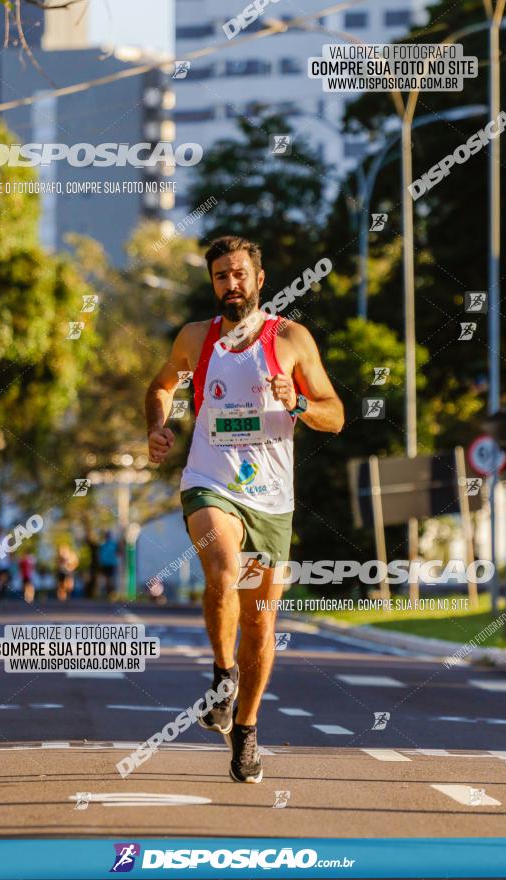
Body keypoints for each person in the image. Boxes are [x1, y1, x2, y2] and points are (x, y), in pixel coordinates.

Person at [145, 236, 344, 783]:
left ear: (259, 279)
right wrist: (157, 427)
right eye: (219, 277)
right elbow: (161, 386)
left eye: (238, 275)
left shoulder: (292, 341)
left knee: (260, 623)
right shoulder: (194, 338)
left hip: (272, 503)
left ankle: (247, 728)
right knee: (223, 571)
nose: (230, 285)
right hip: (210, 483)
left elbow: (336, 415)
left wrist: (298, 402)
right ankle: (222, 673)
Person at [98, 530, 120, 599]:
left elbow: (119, 552)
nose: (107, 537)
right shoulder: (103, 545)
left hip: (111, 564)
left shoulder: (113, 544)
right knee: (107, 579)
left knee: (111, 579)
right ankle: (109, 593)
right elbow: (100, 555)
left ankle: (111, 593)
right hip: (105, 564)